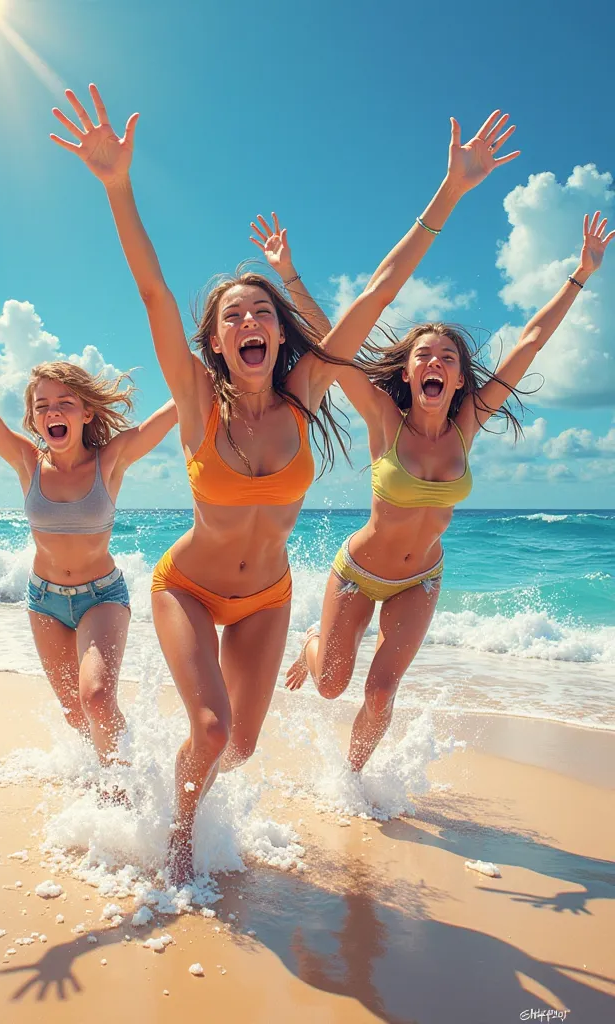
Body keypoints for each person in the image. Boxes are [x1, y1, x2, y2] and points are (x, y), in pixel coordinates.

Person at [50, 82, 518, 883]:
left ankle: (172, 788)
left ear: (279, 333)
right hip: (188, 588)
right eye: (232, 316)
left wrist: (452, 188)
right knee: (207, 729)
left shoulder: (306, 398)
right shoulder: (198, 404)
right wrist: (117, 187)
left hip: (268, 599)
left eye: (261, 312)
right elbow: (154, 292)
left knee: (238, 746)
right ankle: (178, 843)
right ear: (217, 341)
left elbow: (378, 290)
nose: (249, 323)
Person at [286, 211, 613, 773]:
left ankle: (351, 781)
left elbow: (531, 341)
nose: (435, 363)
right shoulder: (384, 419)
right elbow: (336, 349)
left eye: (447, 358)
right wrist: (290, 275)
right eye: (423, 356)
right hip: (358, 572)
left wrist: (580, 275)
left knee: (382, 693)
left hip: (422, 579)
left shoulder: (468, 426)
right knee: (332, 686)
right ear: (409, 374)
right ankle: (314, 642)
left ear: (460, 379)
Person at [0, 295, 176, 771]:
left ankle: (125, 789)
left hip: (102, 596)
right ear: (34, 418)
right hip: (43, 600)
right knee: (75, 713)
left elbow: (173, 410)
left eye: (65, 403)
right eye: (43, 406)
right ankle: (117, 768)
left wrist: (212, 367)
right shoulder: (26, 461)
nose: (53, 411)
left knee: (98, 699)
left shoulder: (112, 458)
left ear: (86, 412)